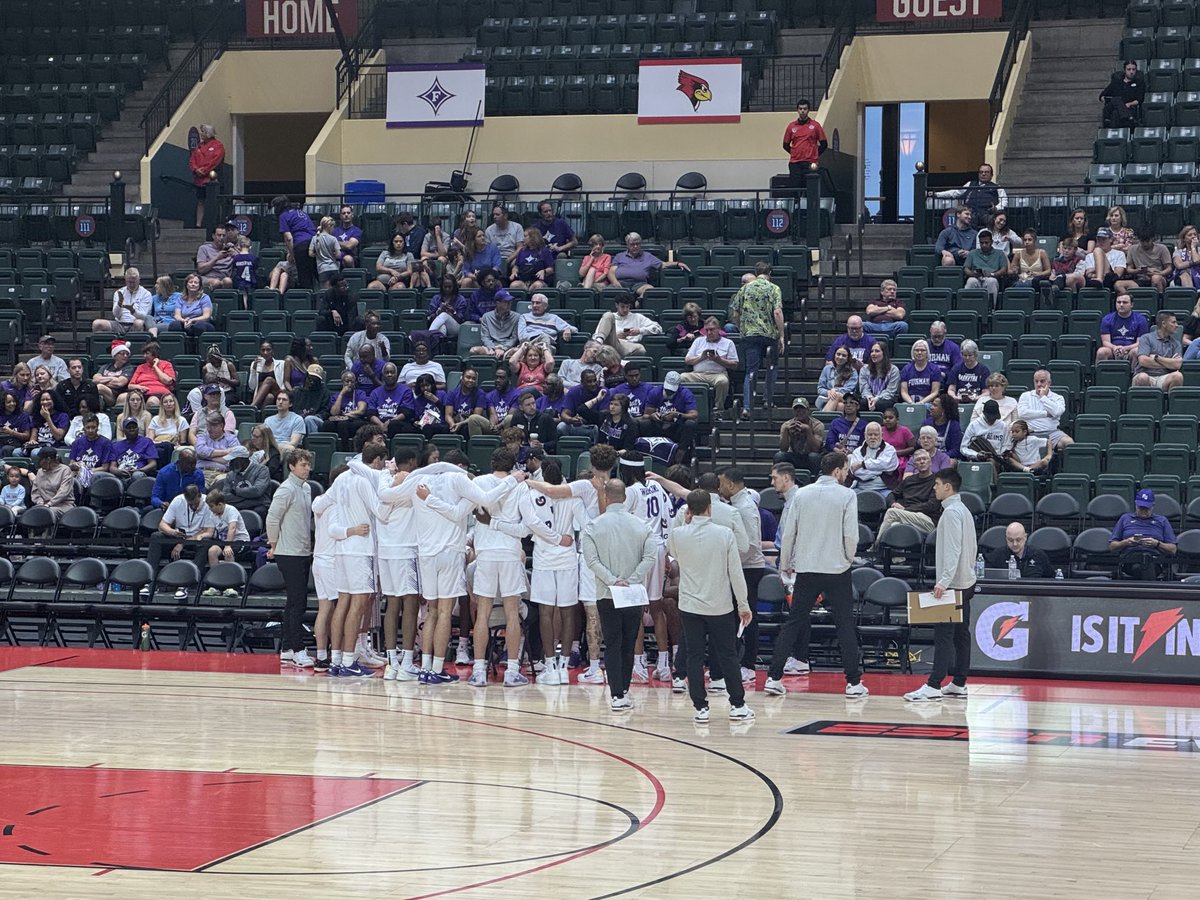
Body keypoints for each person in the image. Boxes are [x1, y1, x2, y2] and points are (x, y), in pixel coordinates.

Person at [764, 452, 867, 699]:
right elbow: (851, 534)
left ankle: (773, 677)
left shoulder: (802, 494)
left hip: (807, 568)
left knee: (794, 622)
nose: (845, 474)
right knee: (844, 625)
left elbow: (789, 533)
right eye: (845, 470)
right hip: (837, 569)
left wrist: (786, 562)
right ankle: (853, 683)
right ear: (838, 470)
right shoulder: (847, 495)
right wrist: (846, 558)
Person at [467, 447, 569, 687]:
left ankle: (479, 670)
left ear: (491, 462)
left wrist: (493, 523)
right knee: (512, 613)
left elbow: (477, 517)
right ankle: (512, 671)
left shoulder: (479, 483)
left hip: (485, 554)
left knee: (483, 612)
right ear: (513, 466)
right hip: (510, 554)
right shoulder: (520, 486)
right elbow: (526, 527)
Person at [668, 489, 754, 722]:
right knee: (728, 655)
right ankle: (737, 705)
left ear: (689, 511)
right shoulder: (725, 534)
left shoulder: (677, 534)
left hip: (690, 606)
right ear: (709, 508)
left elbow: (673, 553)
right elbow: (736, 573)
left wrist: (684, 522)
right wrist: (743, 604)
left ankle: (700, 708)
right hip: (719, 606)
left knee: (694, 656)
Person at [580, 478, 659, 712]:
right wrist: (632, 580)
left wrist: (613, 580)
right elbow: (650, 558)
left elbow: (591, 561)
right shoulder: (642, 526)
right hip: (633, 593)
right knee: (628, 642)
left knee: (612, 643)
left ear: (605, 496)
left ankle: (616, 695)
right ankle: (623, 690)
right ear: (625, 497)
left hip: (607, 593)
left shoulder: (593, 527)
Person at [904, 468, 978, 701]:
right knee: (960, 634)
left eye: (936, 484)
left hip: (954, 583)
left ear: (948, 487)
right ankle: (959, 683)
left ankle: (934, 685)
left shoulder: (952, 513)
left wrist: (943, 581)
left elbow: (953, 549)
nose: (934, 488)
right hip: (966, 580)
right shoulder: (964, 510)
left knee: (944, 634)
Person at [718, 467, 767, 685]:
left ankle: (748, 665)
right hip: (742, 567)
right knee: (737, 616)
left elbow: (751, 544)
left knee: (747, 615)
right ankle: (738, 662)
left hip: (749, 568)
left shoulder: (745, 508)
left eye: (721, 484)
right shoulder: (738, 504)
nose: (719, 488)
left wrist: (730, 559)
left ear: (730, 485)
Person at [266, 449, 315, 667]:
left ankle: (286, 648)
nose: (307, 468)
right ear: (292, 466)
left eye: (308, 464)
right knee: (298, 602)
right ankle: (298, 649)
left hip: (303, 550)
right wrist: (274, 543)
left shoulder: (306, 488)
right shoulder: (286, 490)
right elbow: (272, 518)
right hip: (288, 552)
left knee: (294, 603)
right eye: (303, 464)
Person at [729, 262, 785, 414]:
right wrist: (781, 335)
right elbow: (777, 312)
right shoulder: (774, 288)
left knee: (751, 371)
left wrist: (742, 328)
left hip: (750, 335)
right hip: (769, 335)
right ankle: (767, 400)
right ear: (770, 274)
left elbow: (734, 313)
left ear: (756, 272)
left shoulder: (745, 288)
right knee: (771, 368)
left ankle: (747, 407)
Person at [873, 448, 941, 548]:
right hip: (906, 516)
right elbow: (892, 494)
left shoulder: (937, 481)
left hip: (927, 520)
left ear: (930, 462)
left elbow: (931, 506)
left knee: (892, 512)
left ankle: (875, 547)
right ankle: (898, 560)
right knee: (894, 525)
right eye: (918, 460)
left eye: (924, 459)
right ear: (914, 464)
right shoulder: (909, 480)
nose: (922, 462)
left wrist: (905, 509)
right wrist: (893, 503)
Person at [1109, 488, 1177, 581]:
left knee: (1144, 564)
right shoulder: (1125, 518)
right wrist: (1126, 542)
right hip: (1130, 558)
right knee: (1141, 565)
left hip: (1154, 559)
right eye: (1141, 508)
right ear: (1136, 505)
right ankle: (1151, 592)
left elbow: (1173, 549)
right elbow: (1112, 547)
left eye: (1146, 508)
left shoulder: (1162, 521)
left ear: (1152, 506)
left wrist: (1157, 544)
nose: (1143, 511)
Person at [682, 316, 738, 414]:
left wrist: (719, 360)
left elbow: (734, 364)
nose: (709, 332)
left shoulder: (728, 343)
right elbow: (687, 360)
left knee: (723, 381)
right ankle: (686, 407)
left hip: (717, 374)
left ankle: (718, 409)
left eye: (711, 330)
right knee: (682, 377)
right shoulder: (698, 341)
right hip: (698, 374)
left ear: (718, 330)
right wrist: (702, 357)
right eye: (706, 330)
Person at [611, 232, 689, 299]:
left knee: (650, 290)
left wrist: (677, 263)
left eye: (637, 244)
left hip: (639, 284)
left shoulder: (648, 256)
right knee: (607, 291)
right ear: (627, 245)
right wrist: (615, 282)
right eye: (632, 244)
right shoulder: (619, 256)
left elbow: (663, 264)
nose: (635, 246)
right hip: (621, 283)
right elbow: (611, 272)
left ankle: (638, 304)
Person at [644, 371, 699, 464]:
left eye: (672, 390)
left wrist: (678, 414)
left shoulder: (686, 393)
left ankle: (679, 457)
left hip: (676, 427)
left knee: (690, 424)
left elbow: (694, 414)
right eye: (667, 389)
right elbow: (646, 414)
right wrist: (652, 416)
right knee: (644, 423)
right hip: (658, 425)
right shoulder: (655, 392)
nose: (669, 392)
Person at [935, 164, 1007, 228]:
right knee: (963, 218)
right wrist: (937, 194)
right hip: (971, 213)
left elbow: (1004, 200)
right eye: (981, 172)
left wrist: (996, 208)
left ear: (991, 175)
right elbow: (956, 192)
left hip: (987, 213)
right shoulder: (970, 184)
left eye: (986, 172)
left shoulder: (997, 187)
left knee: (992, 219)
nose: (983, 174)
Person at [591, 292, 663, 357]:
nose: (625, 310)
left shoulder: (637, 317)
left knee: (641, 349)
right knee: (608, 315)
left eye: (627, 307)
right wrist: (616, 335)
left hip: (627, 345)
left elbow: (658, 328)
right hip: (608, 344)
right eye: (622, 306)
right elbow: (596, 335)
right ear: (616, 305)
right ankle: (598, 346)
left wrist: (640, 330)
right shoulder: (610, 317)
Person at [1017, 369, 1074, 448]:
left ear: (1049, 383)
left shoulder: (1058, 398)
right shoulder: (1025, 396)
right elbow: (1022, 413)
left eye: (1042, 381)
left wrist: (1043, 397)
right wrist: (1046, 413)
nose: (1039, 384)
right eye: (1036, 381)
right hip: (1030, 433)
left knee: (1068, 442)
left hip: (1052, 433)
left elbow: (1057, 412)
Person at [273, 195, 318, 290]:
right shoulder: (301, 212)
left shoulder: (283, 216)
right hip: (315, 243)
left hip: (301, 244)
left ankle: (307, 301)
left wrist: (292, 254)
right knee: (315, 273)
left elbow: (288, 238)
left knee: (304, 277)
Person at [1133, 311, 1184, 391]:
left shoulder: (1176, 343)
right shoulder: (1146, 338)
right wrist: (1168, 363)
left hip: (1164, 376)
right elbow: (1143, 361)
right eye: (1173, 322)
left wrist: (1157, 358)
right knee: (1142, 377)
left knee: (1178, 376)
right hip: (1146, 374)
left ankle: (1171, 403)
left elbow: (1177, 365)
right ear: (1164, 324)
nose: (1176, 325)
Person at [1116, 224, 1172, 295]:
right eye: (1142, 241)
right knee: (1118, 284)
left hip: (1158, 277)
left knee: (1156, 279)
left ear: (1152, 239)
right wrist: (1138, 271)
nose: (1145, 244)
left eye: (1147, 241)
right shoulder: (1132, 249)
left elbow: (1169, 268)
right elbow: (1129, 269)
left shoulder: (1162, 248)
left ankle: (1159, 302)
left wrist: (1159, 273)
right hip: (1140, 278)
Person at [93, 267, 151, 335]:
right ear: (125, 280)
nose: (132, 285)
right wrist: (119, 304)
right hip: (119, 323)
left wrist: (133, 311)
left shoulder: (146, 294)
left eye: (134, 282)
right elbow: (116, 315)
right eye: (129, 282)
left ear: (139, 280)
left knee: (139, 323)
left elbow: (145, 316)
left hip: (134, 323)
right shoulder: (119, 292)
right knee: (97, 324)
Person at [774, 396, 825, 474]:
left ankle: (813, 480)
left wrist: (808, 431)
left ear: (808, 410)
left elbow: (815, 449)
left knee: (814, 457)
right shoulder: (786, 425)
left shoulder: (817, 425)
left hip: (809, 456)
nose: (799, 411)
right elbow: (783, 449)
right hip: (793, 455)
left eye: (802, 409)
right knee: (779, 456)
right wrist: (786, 432)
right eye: (796, 409)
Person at [1096, 293, 1150, 363]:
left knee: (1137, 351)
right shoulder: (1107, 319)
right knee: (1101, 352)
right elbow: (1105, 342)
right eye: (1118, 302)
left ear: (1131, 305)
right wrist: (1114, 348)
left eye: (1125, 302)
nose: (1121, 305)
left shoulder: (1141, 320)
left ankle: (1135, 373)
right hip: (1113, 350)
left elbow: (1140, 342)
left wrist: (1126, 348)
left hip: (1131, 349)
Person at [848, 422, 898, 496]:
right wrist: (880, 471)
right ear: (865, 435)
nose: (873, 437)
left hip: (884, 489)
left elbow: (885, 464)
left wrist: (862, 464)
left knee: (891, 499)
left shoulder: (890, 450)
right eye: (870, 434)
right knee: (848, 497)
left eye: (876, 434)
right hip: (860, 488)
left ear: (882, 435)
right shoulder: (857, 451)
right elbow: (858, 472)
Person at [221, 445, 272, 520]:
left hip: (259, 506)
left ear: (242, 459)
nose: (230, 463)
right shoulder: (230, 474)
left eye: (233, 460)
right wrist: (251, 499)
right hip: (252, 503)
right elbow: (225, 495)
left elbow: (257, 491)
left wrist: (236, 491)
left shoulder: (262, 470)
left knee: (259, 511)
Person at [782, 98, 827, 182]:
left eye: (805, 109)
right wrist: (795, 153)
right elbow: (785, 145)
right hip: (795, 163)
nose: (802, 111)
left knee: (810, 187)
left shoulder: (815, 126)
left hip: (810, 163)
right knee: (795, 187)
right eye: (800, 109)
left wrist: (815, 154)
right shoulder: (791, 126)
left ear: (808, 110)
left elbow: (824, 144)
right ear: (797, 110)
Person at [987, 522, 1052, 577]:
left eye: (1018, 540)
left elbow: (1050, 579)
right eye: (1011, 540)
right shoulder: (997, 555)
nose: (1015, 544)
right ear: (1006, 539)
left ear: (1025, 537)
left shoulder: (1039, 555)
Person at [963, 229, 1009, 304]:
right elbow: (966, 269)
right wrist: (974, 274)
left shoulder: (999, 253)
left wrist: (992, 274)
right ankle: (968, 308)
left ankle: (990, 310)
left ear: (991, 242)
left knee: (991, 281)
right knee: (971, 281)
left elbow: (1004, 269)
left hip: (992, 277)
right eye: (982, 243)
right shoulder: (972, 253)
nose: (984, 245)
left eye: (986, 242)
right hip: (976, 277)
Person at [471, 291, 521, 359]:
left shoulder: (517, 317)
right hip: (490, 348)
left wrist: (503, 348)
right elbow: (485, 337)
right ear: (498, 303)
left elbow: (514, 338)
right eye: (506, 302)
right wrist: (493, 348)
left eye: (510, 301)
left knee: (516, 351)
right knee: (474, 350)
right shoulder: (486, 316)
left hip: (508, 348)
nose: (509, 304)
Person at [194, 413, 241, 484]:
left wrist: (206, 457)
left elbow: (232, 459)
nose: (209, 429)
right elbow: (201, 451)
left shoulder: (232, 439)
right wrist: (226, 452)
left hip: (222, 474)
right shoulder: (202, 437)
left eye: (213, 426)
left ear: (222, 426)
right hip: (201, 472)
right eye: (208, 425)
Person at [960, 399, 1010, 465]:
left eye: (994, 418)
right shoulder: (974, 425)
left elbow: (1006, 446)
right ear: (984, 413)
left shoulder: (1003, 426)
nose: (992, 420)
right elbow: (963, 448)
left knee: (991, 461)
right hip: (976, 459)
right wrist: (976, 455)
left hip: (997, 459)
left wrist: (1001, 455)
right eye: (989, 417)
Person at [68, 413, 113, 487]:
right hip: (79, 472)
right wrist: (74, 465)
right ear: (83, 428)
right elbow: (72, 462)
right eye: (88, 427)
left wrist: (86, 472)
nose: (90, 430)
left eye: (93, 427)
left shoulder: (106, 443)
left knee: (92, 476)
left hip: (97, 474)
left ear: (98, 427)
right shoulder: (77, 442)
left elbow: (105, 467)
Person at [108, 416, 157, 480]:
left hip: (139, 472)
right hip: (120, 474)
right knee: (104, 476)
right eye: (129, 428)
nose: (132, 429)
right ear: (124, 430)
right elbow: (112, 467)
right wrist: (119, 472)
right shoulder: (116, 445)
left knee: (137, 475)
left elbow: (153, 464)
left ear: (138, 429)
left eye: (134, 427)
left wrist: (139, 470)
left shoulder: (146, 442)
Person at [31, 447, 74, 520]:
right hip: (43, 505)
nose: (39, 463)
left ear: (48, 459)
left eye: (40, 460)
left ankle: (47, 531)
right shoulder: (40, 472)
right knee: (31, 513)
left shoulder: (65, 470)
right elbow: (35, 491)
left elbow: (63, 492)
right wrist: (40, 502)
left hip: (63, 505)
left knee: (47, 513)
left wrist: (49, 504)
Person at [1100, 60, 1144, 127]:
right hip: (1112, 107)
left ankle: (1114, 131)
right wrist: (1106, 99)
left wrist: (1129, 104)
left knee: (1115, 113)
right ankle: (1130, 118)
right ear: (1124, 70)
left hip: (1129, 108)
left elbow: (1139, 100)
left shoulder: (1139, 83)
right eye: (1129, 69)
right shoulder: (1116, 82)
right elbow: (1102, 96)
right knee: (1116, 100)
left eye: (1133, 69)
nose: (1131, 72)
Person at [900, 339, 944, 406]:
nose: (919, 352)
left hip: (928, 403)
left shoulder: (935, 369)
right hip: (910, 402)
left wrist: (921, 403)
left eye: (923, 350)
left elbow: (935, 392)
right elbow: (904, 392)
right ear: (913, 352)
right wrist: (911, 403)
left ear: (927, 352)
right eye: (917, 350)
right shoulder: (906, 369)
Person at [816, 345, 858, 412]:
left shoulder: (853, 372)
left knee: (837, 395)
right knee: (840, 406)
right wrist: (828, 392)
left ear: (848, 358)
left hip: (847, 399)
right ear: (834, 355)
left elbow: (849, 389)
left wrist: (835, 390)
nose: (840, 357)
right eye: (838, 354)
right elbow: (820, 388)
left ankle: (823, 418)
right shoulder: (827, 369)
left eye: (844, 355)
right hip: (828, 399)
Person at [172, 273, 214, 338]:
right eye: (190, 282)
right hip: (185, 323)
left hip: (202, 323)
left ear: (200, 286)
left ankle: (197, 347)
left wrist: (192, 320)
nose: (193, 284)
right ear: (186, 285)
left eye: (196, 282)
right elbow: (177, 315)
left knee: (199, 326)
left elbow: (206, 316)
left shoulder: (205, 297)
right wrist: (184, 320)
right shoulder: (180, 298)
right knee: (174, 325)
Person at [947, 340, 989, 405]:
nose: (967, 358)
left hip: (977, 402)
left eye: (970, 355)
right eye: (965, 355)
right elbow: (951, 389)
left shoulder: (983, 370)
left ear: (975, 355)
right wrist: (954, 397)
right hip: (959, 400)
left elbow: (986, 392)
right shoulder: (956, 368)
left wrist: (977, 398)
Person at [94, 342, 134, 408]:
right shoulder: (106, 367)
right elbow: (95, 379)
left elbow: (120, 383)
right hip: (105, 395)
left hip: (118, 395)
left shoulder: (128, 368)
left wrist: (104, 380)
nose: (125, 356)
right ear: (115, 355)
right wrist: (113, 379)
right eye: (122, 354)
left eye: (127, 354)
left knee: (100, 387)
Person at [196, 225, 234, 291]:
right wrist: (217, 258)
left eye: (224, 235)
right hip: (207, 277)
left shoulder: (231, 250)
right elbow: (201, 269)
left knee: (227, 281)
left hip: (225, 278)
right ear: (213, 236)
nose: (221, 238)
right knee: (216, 282)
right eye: (219, 235)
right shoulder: (204, 248)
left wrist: (235, 254)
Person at [924, 394, 963, 459]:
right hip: (928, 457)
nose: (931, 407)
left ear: (943, 410)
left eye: (935, 405)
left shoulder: (954, 425)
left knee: (951, 463)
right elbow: (920, 445)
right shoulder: (927, 423)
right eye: (932, 404)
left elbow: (956, 450)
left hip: (946, 458)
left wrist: (939, 457)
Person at [308, 216, 342, 286]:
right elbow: (338, 254)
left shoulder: (315, 238)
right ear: (330, 226)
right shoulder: (333, 239)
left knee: (325, 293)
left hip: (322, 269)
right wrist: (333, 254)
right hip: (334, 267)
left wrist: (317, 254)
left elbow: (310, 254)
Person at [334, 204, 362, 268]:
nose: (346, 215)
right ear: (340, 216)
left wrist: (335, 242)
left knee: (347, 259)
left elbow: (349, 246)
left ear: (352, 215)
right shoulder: (335, 230)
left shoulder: (356, 231)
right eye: (343, 213)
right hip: (335, 256)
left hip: (350, 257)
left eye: (348, 213)